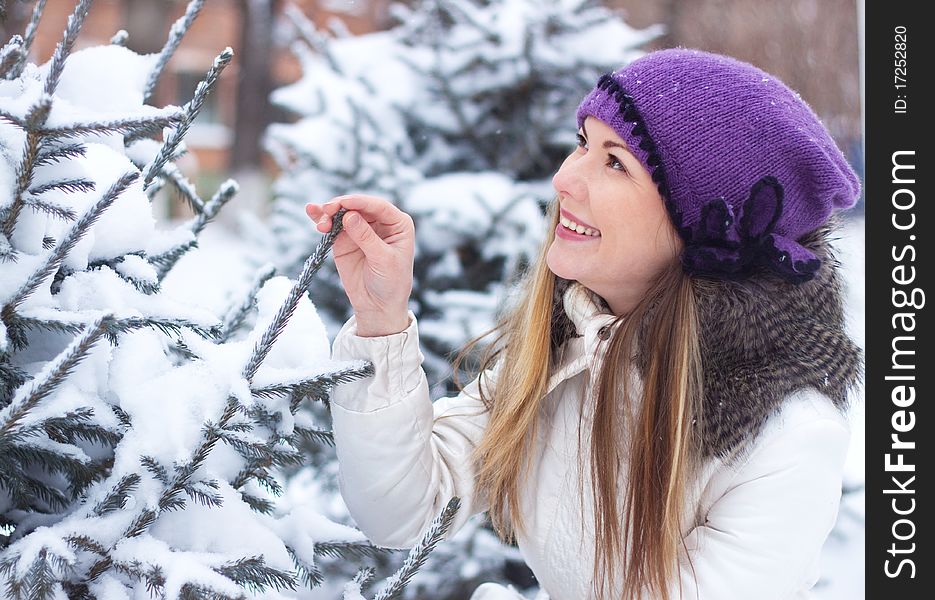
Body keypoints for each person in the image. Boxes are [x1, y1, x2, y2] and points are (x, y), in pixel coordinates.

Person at [305, 48, 862, 600]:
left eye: (615, 162)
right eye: (581, 144)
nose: (564, 179)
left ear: (701, 229)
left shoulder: (781, 437)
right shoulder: (573, 348)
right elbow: (403, 507)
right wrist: (380, 319)